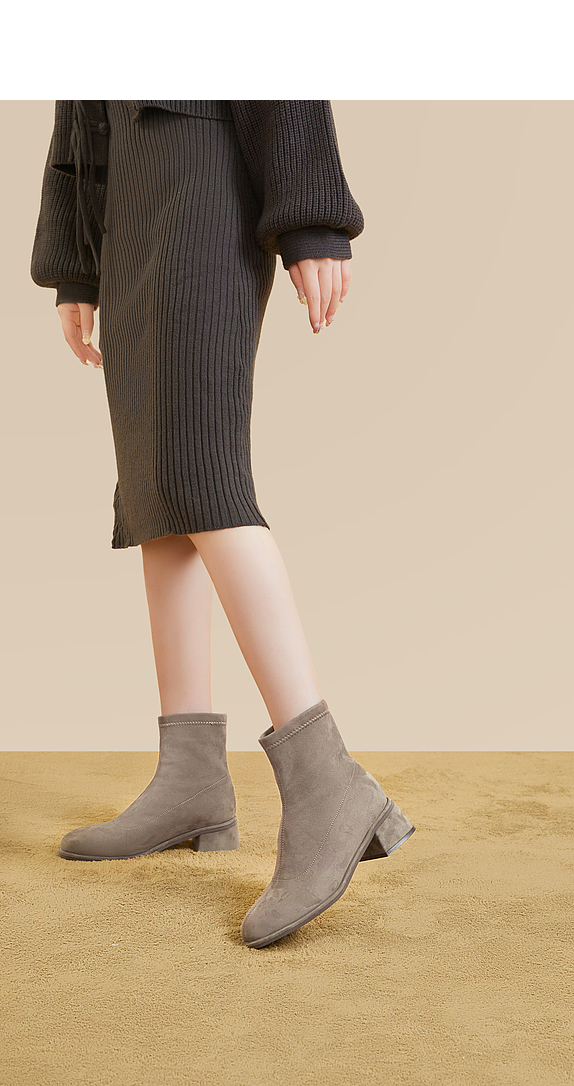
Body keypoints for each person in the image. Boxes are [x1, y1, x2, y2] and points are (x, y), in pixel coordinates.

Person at [31, 100, 415, 949]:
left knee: (203, 478)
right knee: (156, 489)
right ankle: (191, 777)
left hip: (205, 167)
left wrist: (311, 217)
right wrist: (76, 263)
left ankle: (328, 782)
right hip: (128, 193)